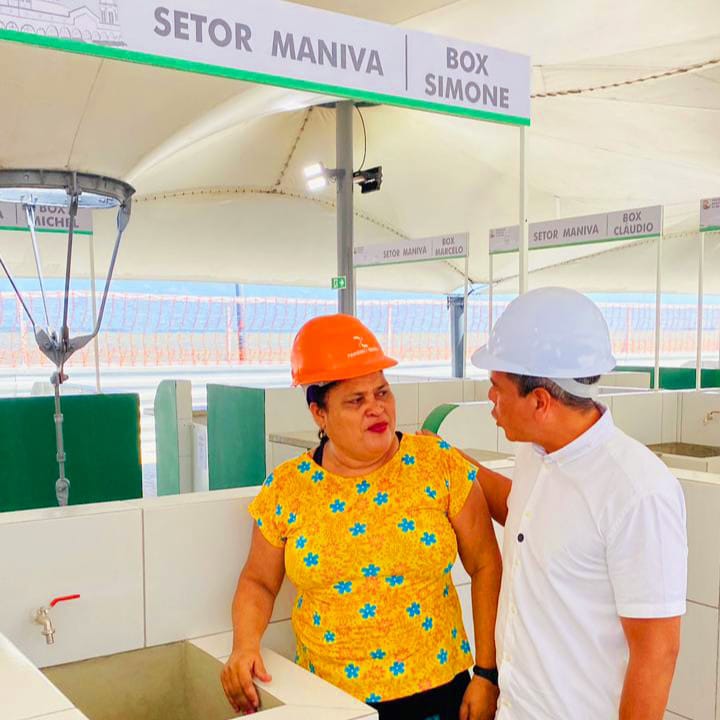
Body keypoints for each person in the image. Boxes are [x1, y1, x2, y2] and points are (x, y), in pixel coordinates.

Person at [221, 314, 502, 720]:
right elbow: (258, 581)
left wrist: (487, 673)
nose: (376, 408)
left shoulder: (437, 463)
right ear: (319, 413)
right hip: (329, 701)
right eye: (356, 400)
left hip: (441, 693)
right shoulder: (287, 488)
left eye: (382, 392)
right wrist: (244, 645)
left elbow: (486, 562)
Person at [463, 287, 688, 720]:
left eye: (496, 387)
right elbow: (524, 515)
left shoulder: (636, 491)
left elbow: (657, 652)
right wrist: (451, 462)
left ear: (540, 401)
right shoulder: (535, 452)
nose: (491, 399)